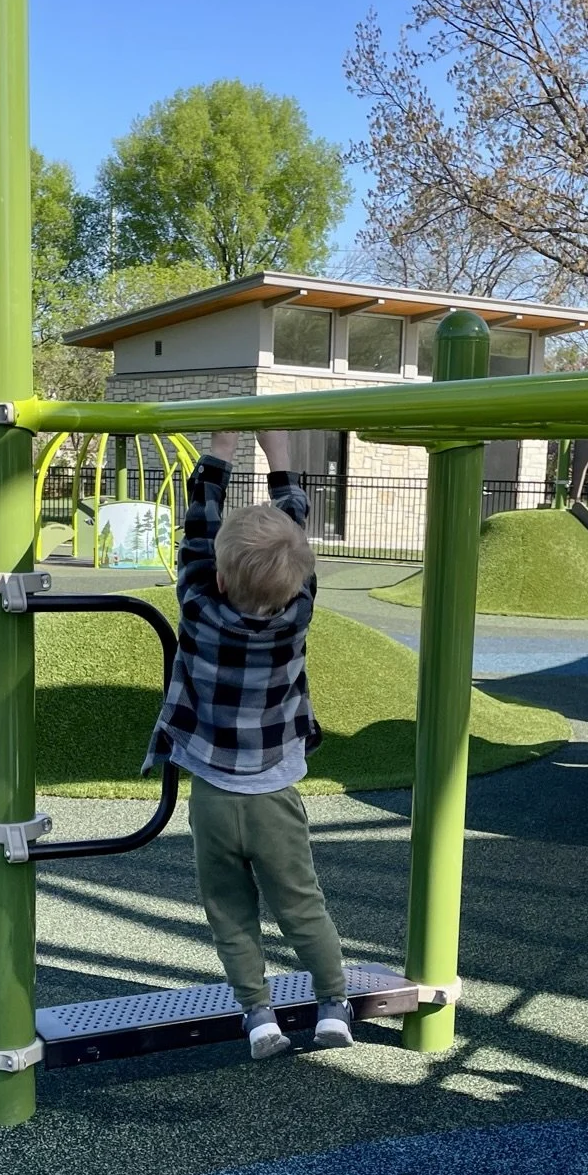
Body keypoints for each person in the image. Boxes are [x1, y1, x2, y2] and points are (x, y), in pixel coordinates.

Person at [145, 429, 352, 1060]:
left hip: (212, 793)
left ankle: (259, 1015)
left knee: (228, 907)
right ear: (300, 580)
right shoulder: (297, 613)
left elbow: (196, 534)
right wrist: (280, 457)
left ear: (219, 577)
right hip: (273, 796)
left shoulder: (199, 608)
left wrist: (221, 453)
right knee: (300, 902)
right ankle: (332, 1003)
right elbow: (294, 541)